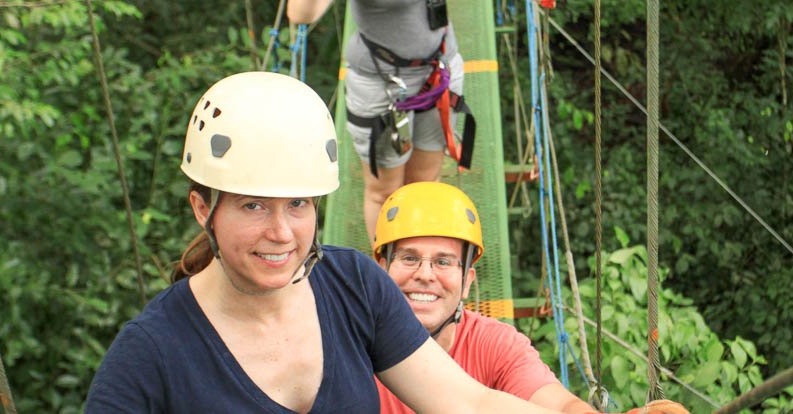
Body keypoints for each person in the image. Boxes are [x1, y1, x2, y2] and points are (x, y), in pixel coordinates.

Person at [83, 71, 569, 413]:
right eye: (254, 205)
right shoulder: (150, 354)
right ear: (203, 208)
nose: (281, 232)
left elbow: (469, 402)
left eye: (299, 205)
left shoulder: (351, 285)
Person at [371, 182, 690, 414]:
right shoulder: (348, 342)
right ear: (380, 269)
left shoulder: (493, 344)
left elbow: (559, 404)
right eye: (409, 258)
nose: (425, 274)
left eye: (443, 262)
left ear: (467, 281)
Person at [288, 0, 474, 243]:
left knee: (425, 182)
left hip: (440, 69)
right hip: (381, 82)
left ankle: (414, 262)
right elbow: (301, 12)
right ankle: (386, 274)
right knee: (385, 191)